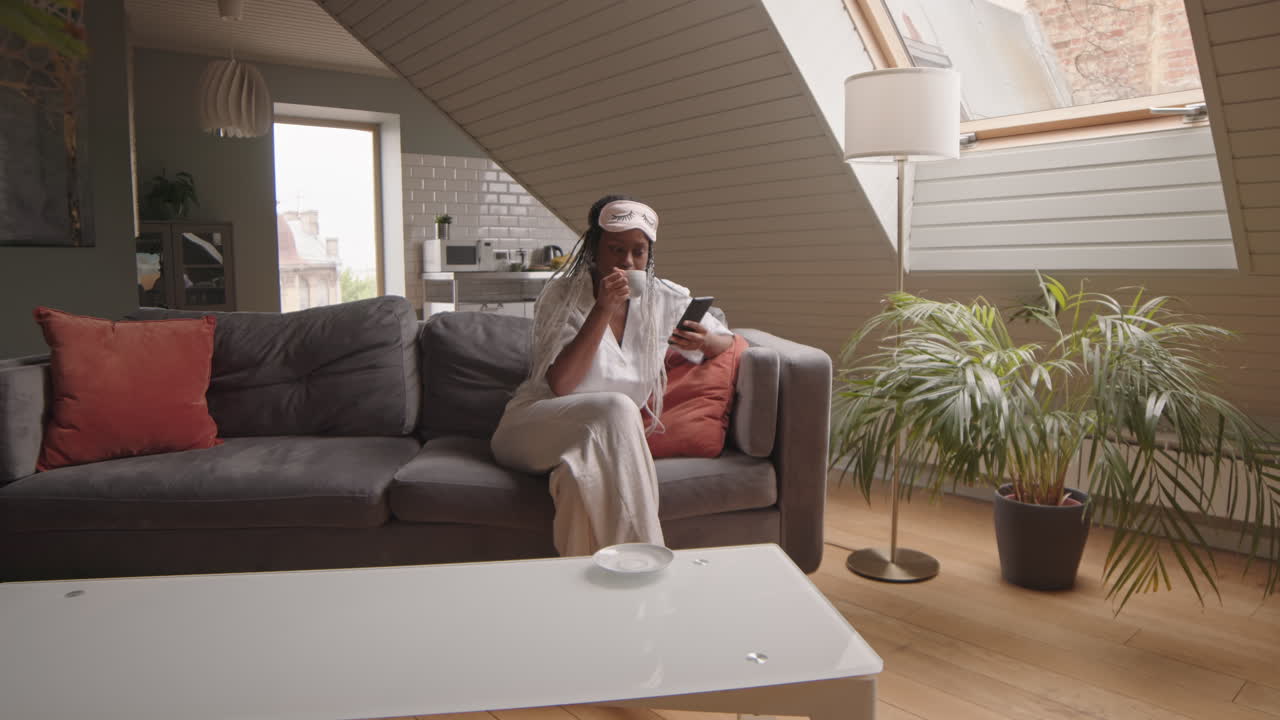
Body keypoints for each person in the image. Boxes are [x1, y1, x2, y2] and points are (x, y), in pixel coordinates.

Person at [491, 195, 735, 556]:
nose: (627, 261)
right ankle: (649, 560)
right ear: (595, 249)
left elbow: (726, 341)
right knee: (619, 408)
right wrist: (603, 309)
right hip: (535, 427)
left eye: (639, 251)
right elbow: (562, 385)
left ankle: (588, 584)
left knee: (577, 481)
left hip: (595, 447)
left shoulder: (664, 298)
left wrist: (705, 340)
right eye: (616, 249)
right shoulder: (562, 295)